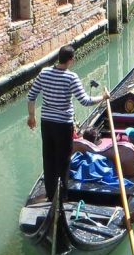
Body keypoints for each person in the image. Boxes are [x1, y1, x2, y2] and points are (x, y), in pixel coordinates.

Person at [27, 45, 109, 201]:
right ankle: (62, 199)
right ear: (71, 60)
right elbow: (85, 101)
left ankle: (51, 196)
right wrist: (103, 97)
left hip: (47, 124)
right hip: (63, 125)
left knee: (49, 159)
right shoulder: (71, 77)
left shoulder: (44, 73)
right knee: (64, 161)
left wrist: (32, 116)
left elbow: (31, 96)